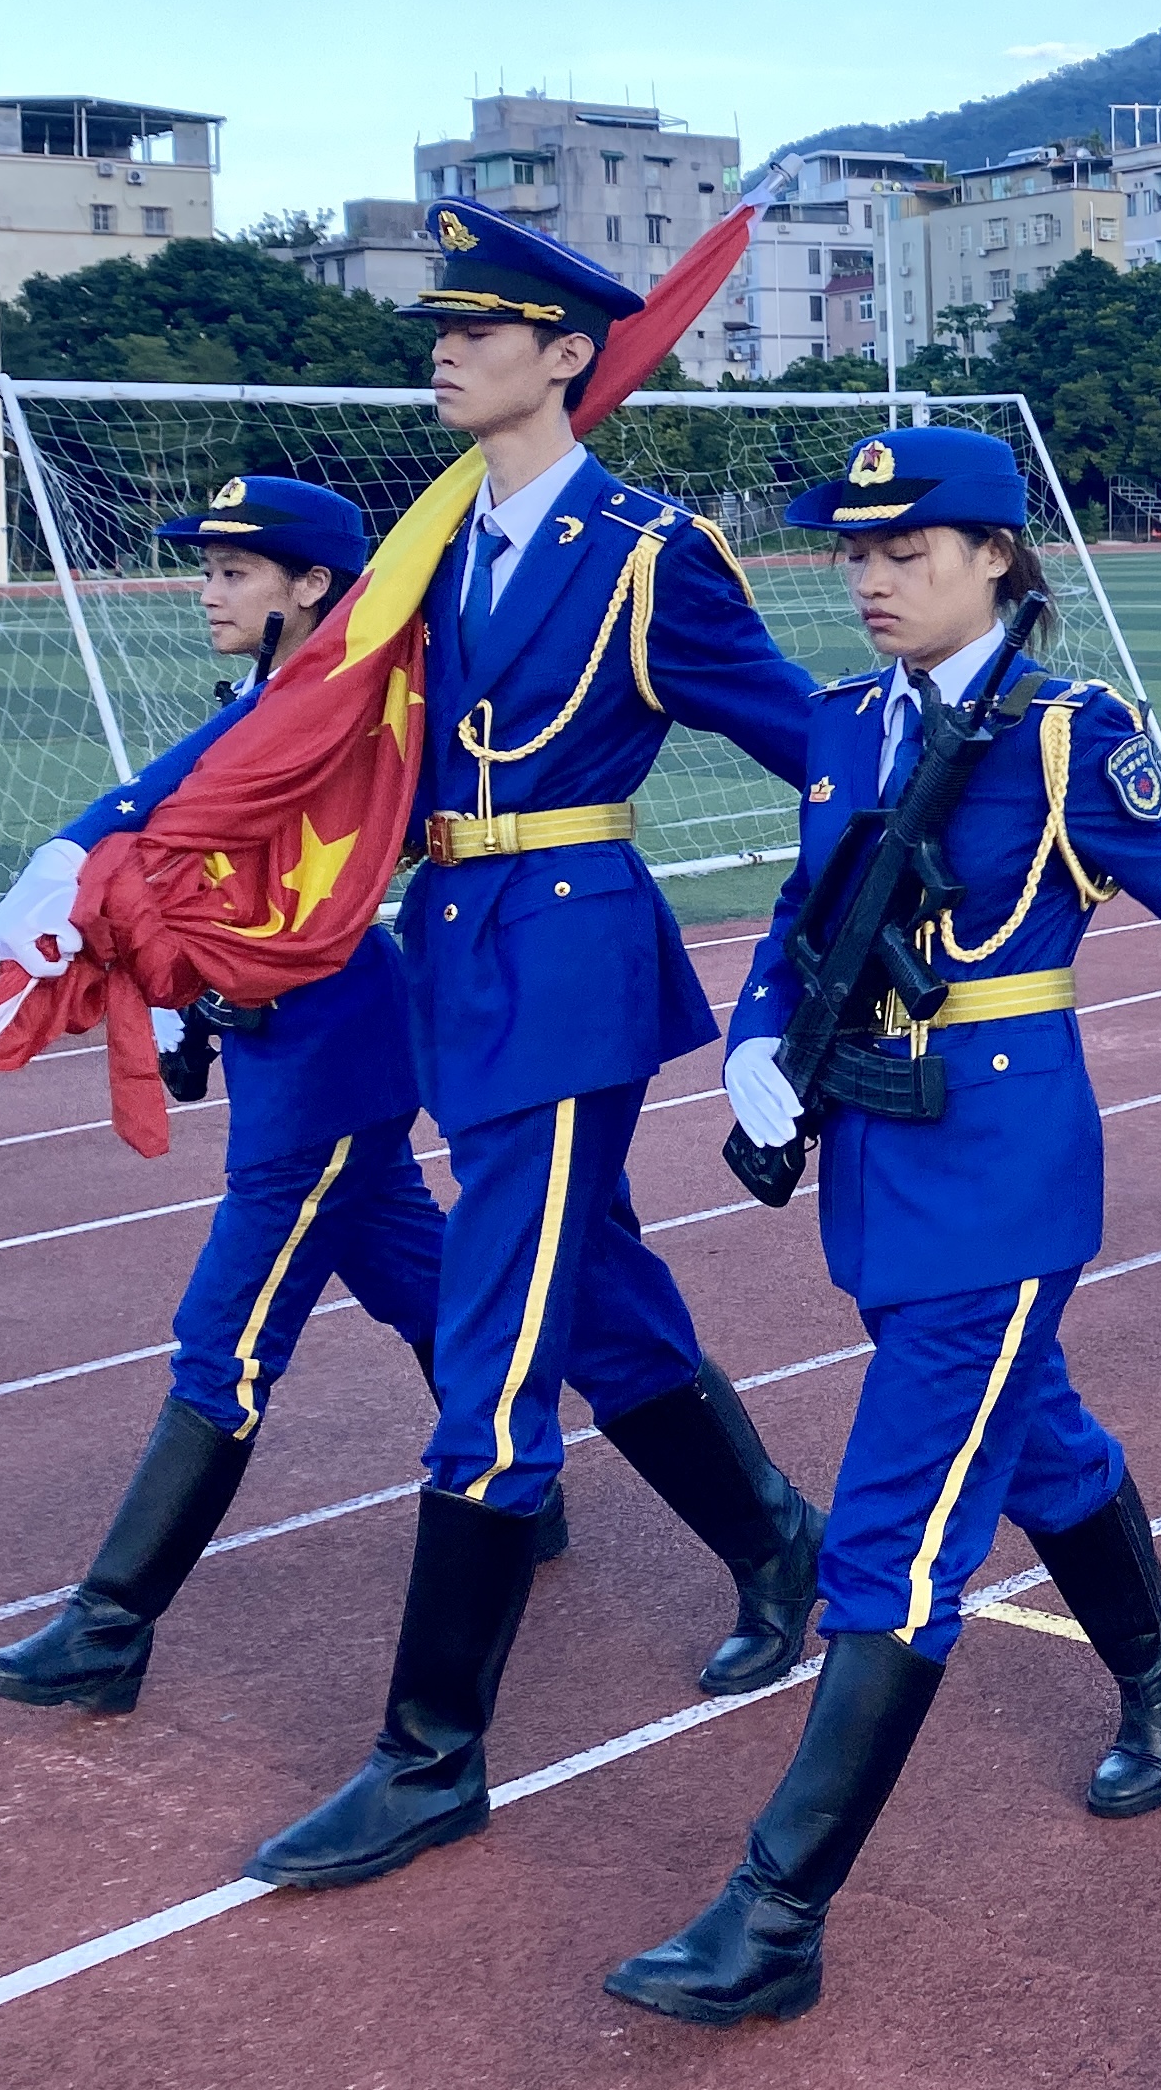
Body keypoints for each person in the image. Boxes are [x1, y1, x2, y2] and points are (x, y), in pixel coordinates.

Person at [608, 427, 1161, 2028]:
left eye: (908, 553)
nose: (873, 579)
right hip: (875, 1150)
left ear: (997, 558)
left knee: (894, 1533)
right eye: (858, 554)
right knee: (1034, 1440)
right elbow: (804, 914)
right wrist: (758, 1039)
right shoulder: (846, 726)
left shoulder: (1064, 736)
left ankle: (777, 1911)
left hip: (1001, 1172)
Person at [248, 201, 828, 1895]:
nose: (445, 351)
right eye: (440, 327)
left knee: (497, 1346)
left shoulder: (648, 552)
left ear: (567, 355)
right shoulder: (427, 549)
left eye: (480, 328)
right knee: (595, 1287)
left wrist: (854, 932)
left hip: (570, 964)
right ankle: (774, 1535)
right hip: (454, 952)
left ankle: (429, 1756)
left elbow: (815, 744)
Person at [0, 479, 562, 1716]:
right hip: (307, 1046)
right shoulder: (267, 704)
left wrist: (79, 849)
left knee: (223, 1343)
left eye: (236, 571)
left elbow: (177, 799)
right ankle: (534, 1489)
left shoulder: (336, 714)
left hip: (324, 1062)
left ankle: (110, 1627)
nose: (207, 591)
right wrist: (176, 990)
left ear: (314, 587)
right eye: (209, 568)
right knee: (423, 1283)